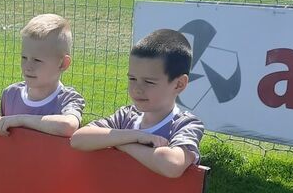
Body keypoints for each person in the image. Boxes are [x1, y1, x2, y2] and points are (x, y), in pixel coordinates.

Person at [70, 28, 204, 178]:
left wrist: (122, 143)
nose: (137, 89)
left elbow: (172, 165)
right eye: (132, 79)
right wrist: (136, 135)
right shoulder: (126, 116)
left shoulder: (186, 124)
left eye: (149, 82)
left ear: (179, 84)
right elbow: (78, 139)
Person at [0, 14, 84, 137]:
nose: (27, 66)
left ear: (63, 64)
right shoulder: (10, 94)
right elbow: (5, 136)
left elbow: (68, 127)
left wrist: (20, 120)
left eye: (37, 60)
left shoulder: (67, 100)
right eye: (24, 58)